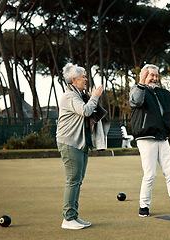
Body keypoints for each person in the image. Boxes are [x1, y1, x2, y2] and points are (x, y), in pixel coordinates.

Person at [129, 64, 170, 219]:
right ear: (144, 75)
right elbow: (136, 101)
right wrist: (142, 81)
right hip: (146, 137)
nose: (155, 79)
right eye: (152, 75)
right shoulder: (137, 90)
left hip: (162, 137)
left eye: (157, 76)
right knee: (150, 174)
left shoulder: (163, 93)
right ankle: (144, 206)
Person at [56, 63, 103, 229]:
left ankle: (73, 216)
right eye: (83, 76)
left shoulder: (79, 94)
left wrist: (91, 96)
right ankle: (68, 219)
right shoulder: (70, 96)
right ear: (74, 79)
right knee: (73, 180)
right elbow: (86, 111)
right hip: (70, 142)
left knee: (77, 181)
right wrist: (95, 96)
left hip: (80, 142)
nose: (86, 78)